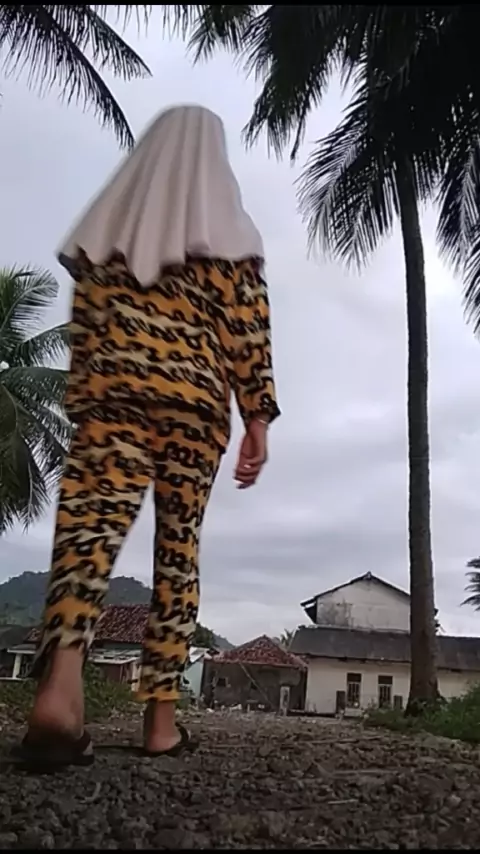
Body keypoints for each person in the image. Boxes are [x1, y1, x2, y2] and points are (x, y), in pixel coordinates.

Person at [18, 104, 280, 769]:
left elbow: (85, 333)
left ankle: (58, 695)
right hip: (195, 411)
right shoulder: (231, 238)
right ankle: (160, 725)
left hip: (113, 400)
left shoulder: (111, 228)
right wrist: (256, 419)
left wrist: (88, 400)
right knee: (178, 553)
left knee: (85, 542)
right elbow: (248, 335)